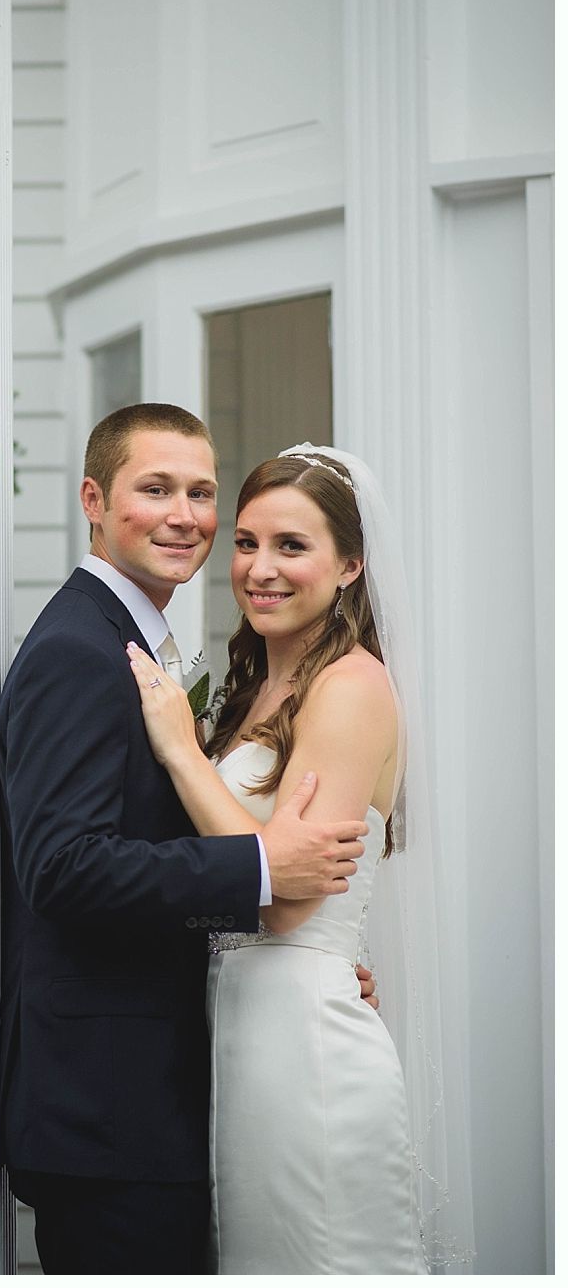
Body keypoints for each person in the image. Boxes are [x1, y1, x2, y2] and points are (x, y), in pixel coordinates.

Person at [0, 407, 373, 1275]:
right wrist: (262, 867)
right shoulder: (79, 649)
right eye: (155, 489)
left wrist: (299, 955)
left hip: (163, 1092)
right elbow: (62, 867)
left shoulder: (133, 641)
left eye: (201, 492)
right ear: (94, 499)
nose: (185, 515)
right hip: (109, 1104)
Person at [125, 443, 458, 1272]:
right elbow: (241, 865)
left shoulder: (350, 685)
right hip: (241, 1036)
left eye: (291, 546)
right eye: (246, 542)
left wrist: (182, 752)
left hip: (305, 1049)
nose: (260, 569)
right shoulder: (249, 685)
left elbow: (285, 901)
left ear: (350, 564)